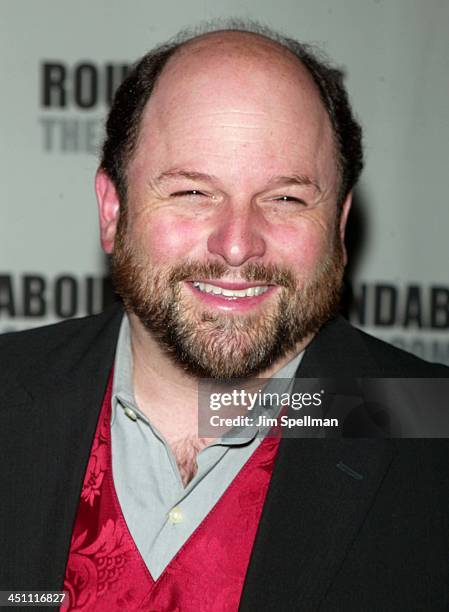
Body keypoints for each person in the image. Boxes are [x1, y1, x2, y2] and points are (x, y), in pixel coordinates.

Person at [1, 21, 448, 612]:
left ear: (339, 227)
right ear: (113, 211)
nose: (237, 245)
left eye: (286, 197)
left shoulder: (432, 435)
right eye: (192, 192)